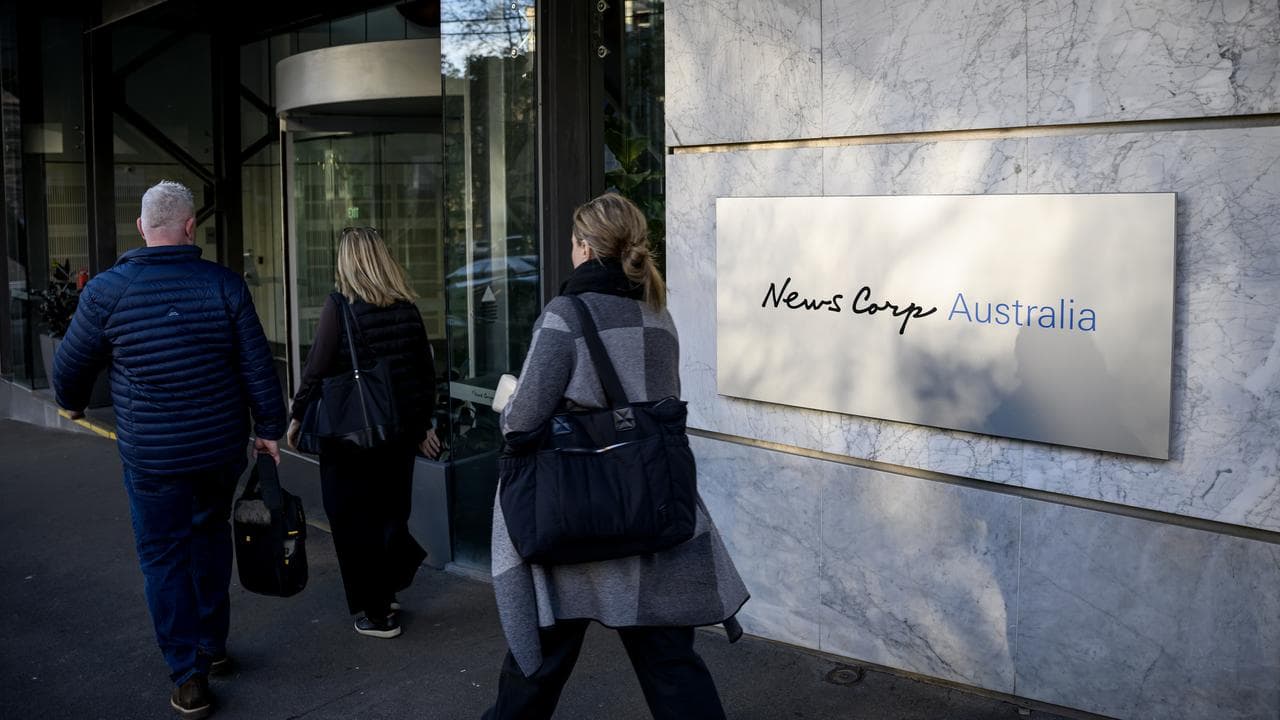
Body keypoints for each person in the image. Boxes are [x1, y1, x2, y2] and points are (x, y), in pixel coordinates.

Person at [484, 193, 750, 720]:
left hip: (578, 511)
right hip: (647, 512)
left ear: (583, 247)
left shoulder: (565, 315)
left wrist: (507, 398)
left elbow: (522, 422)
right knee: (671, 664)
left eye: (573, 243)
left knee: (541, 658)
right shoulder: (658, 316)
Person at [53, 180, 285, 720]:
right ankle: (212, 646)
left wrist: (73, 406)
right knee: (208, 539)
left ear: (141, 228)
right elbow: (257, 365)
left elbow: (69, 367)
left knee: (162, 555)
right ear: (189, 228)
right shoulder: (224, 285)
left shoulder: (107, 292)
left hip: (152, 457)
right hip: (217, 451)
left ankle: (187, 677)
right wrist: (269, 428)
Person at [286, 226, 438, 639]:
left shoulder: (340, 307)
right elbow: (425, 375)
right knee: (390, 514)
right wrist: (422, 425)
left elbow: (316, 369)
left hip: (351, 435)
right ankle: (386, 592)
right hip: (400, 433)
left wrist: (297, 416)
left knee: (352, 522)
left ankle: (377, 613)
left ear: (346, 263)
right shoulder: (407, 307)